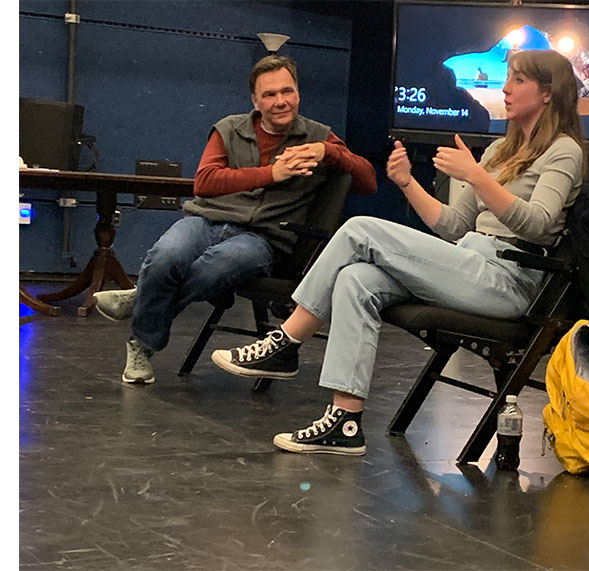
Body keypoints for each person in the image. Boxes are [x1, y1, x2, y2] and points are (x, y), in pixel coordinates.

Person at [212, 49, 586, 456]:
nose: (505, 89)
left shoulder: (564, 151)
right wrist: (408, 183)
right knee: (358, 279)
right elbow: (452, 225)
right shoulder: (499, 151)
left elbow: (538, 223)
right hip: (470, 258)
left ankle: (285, 342)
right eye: (508, 78)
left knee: (359, 230)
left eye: (517, 81)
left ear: (547, 94)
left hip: (509, 278)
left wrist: (476, 176)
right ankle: (345, 421)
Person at [93, 55, 377, 385]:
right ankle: (147, 297)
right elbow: (205, 182)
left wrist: (328, 153)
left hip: (263, 239)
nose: (281, 101)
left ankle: (141, 330)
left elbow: (368, 181)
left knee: (217, 267)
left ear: (298, 92)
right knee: (165, 257)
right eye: (269, 95)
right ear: (255, 100)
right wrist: (272, 173)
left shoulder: (318, 136)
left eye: (288, 91)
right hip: (206, 221)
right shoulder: (229, 128)